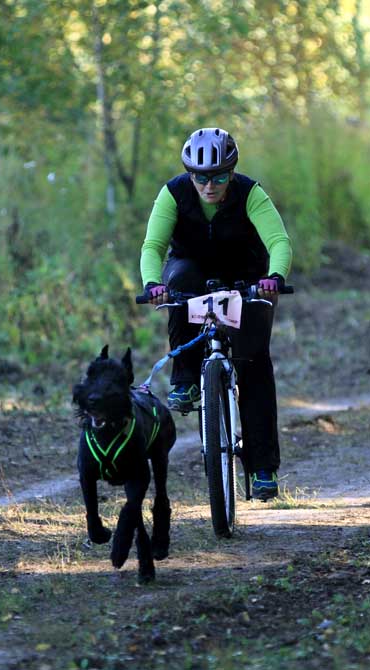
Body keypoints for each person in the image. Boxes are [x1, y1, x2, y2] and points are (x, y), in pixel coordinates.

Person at [139, 127, 292, 500]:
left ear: (232, 172)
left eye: (220, 177)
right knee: (179, 286)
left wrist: (274, 277)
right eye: (201, 177)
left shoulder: (251, 194)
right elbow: (153, 246)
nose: (210, 186)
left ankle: (262, 470)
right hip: (191, 270)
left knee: (253, 364)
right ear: (189, 174)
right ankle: (185, 379)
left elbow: (278, 241)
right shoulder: (173, 193)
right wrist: (152, 284)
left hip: (248, 277)